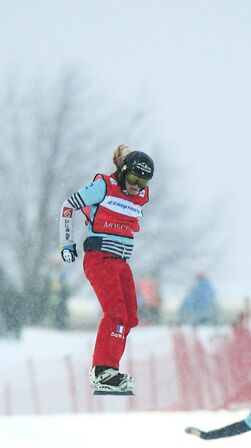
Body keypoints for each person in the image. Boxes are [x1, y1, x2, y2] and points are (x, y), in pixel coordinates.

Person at [58, 144, 154, 395]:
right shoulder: (104, 187)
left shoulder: (142, 195)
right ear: (123, 172)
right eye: (132, 178)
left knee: (129, 316)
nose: (136, 186)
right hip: (99, 257)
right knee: (114, 312)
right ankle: (103, 371)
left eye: (142, 182)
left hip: (121, 261)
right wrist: (66, 243)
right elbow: (68, 206)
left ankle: (110, 370)